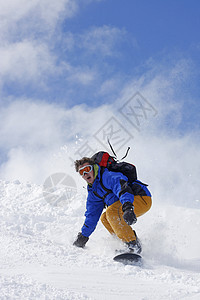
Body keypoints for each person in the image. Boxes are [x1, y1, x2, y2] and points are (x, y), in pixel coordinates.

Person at [73, 156, 152, 253]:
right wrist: (83, 236)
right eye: (82, 172)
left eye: (87, 169)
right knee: (105, 218)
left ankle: (132, 245)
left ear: (94, 167)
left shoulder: (107, 176)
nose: (85, 174)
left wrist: (127, 207)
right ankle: (128, 243)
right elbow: (92, 215)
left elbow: (122, 188)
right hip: (126, 204)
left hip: (140, 197)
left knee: (111, 212)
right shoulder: (94, 191)